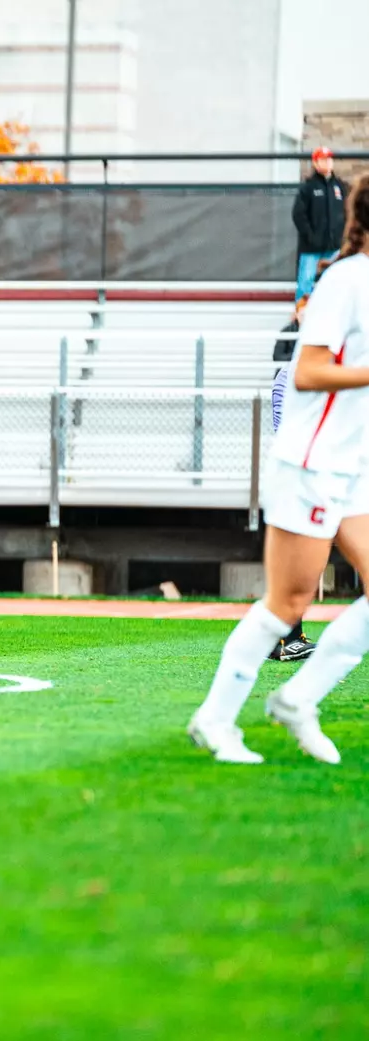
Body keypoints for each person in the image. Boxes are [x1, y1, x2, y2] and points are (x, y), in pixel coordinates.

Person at [187, 177, 369, 766]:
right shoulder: (345, 280)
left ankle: (298, 699)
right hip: (312, 465)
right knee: (290, 603)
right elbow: (308, 373)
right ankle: (214, 721)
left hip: (355, 468)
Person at [266, 295, 318, 663]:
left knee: (300, 566)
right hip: (302, 475)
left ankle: (286, 638)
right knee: (298, 567)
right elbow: (285, 427)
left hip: (308, 473)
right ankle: (284, 639)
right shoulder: (295, 374)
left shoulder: (298, 372)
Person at [293, 148, 346, 301]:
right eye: (323, 159)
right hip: (311, 249)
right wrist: (311, 237)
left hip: (334, 248)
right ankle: (300, 319)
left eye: (329, 159)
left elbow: (346, 212)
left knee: (336, 283)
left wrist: (341, 237)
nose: (327, 162)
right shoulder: (308, 188)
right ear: (315, 163)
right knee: (305, 284)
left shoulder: (339, 187)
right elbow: (299, 215)